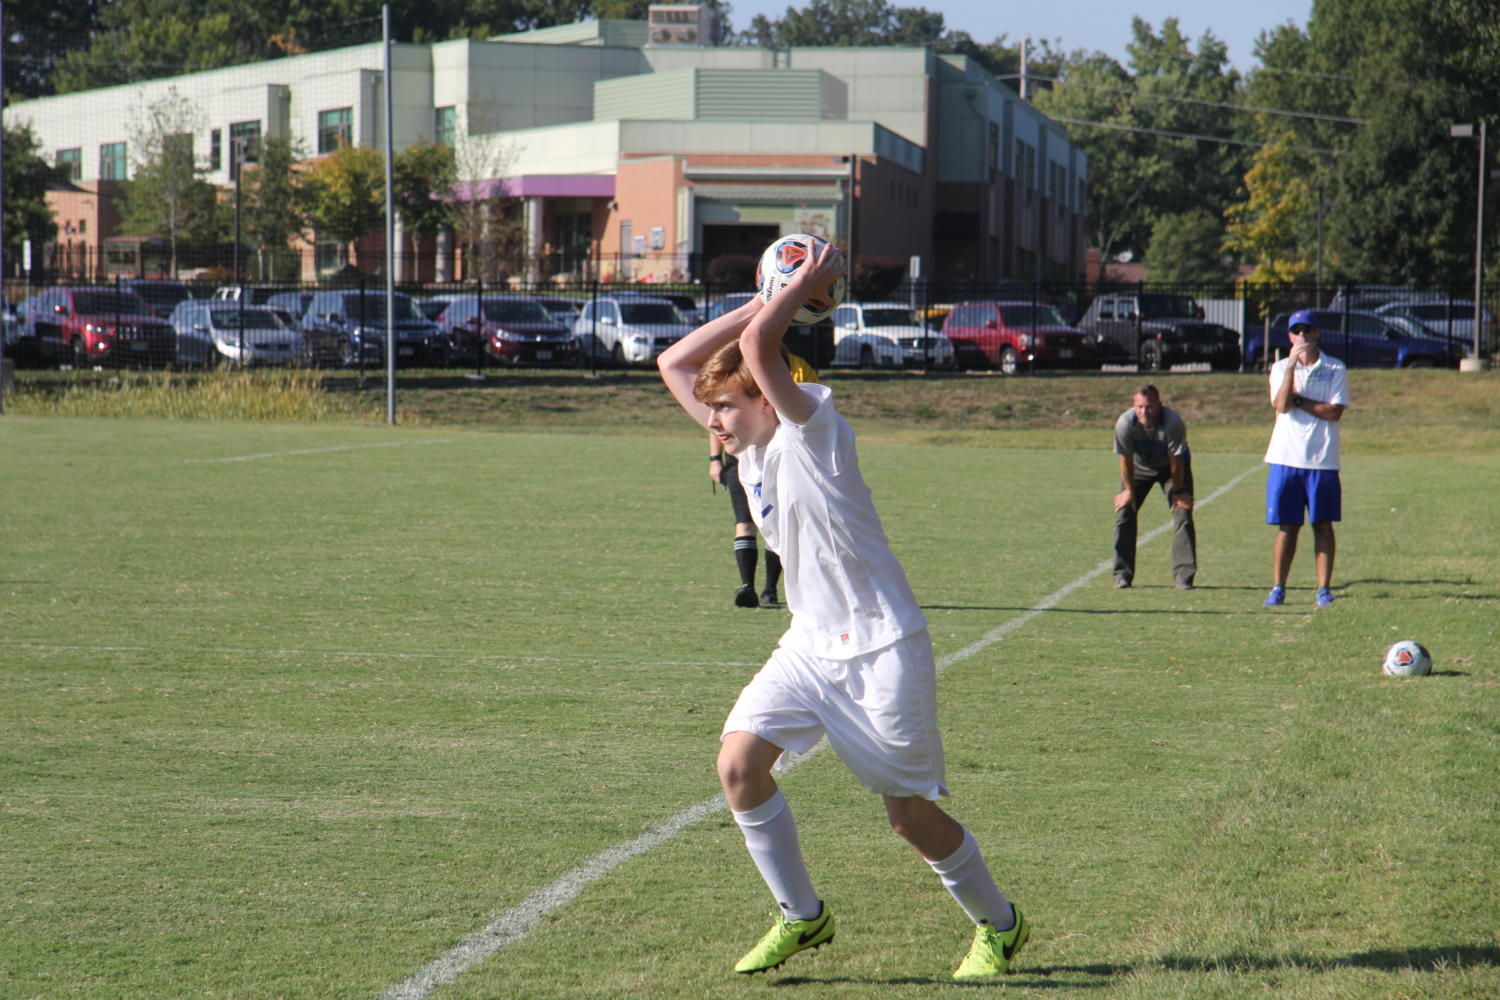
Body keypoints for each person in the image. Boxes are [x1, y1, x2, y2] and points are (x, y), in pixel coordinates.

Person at [658, 242, 1027, 982]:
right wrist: (764, 297)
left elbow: (762, 346)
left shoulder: (814, 430)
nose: (714, 421)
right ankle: (803, 915)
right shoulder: (748, 451)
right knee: (737, 764)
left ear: (768, 397)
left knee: (908, 819)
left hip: (884, 647)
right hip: (809, 645)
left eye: (727, 406)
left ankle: (1000, 924)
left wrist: (788, 290)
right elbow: (673, 365)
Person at [709, 354, 818, 608]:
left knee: (777, 525)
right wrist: (715, 458)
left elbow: (809, 413)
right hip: (740, 458)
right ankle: (747, 586)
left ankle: (770, 589)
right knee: (744, 523)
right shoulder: (732, 377)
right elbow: (717, 423)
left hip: (781, 457)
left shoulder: (799, 370)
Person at [1263, 309, 1348, 608]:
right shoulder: (1279, 368)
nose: (1303, 336)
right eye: (1297, 331)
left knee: (1323, 525)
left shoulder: (1335, 368)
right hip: (1286, 458)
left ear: (1317, 333)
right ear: (1289, 336)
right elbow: (1282, 406)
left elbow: (1334, 411)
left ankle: (1323, 589)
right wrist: (1289, 371)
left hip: (1322, 459)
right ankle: (1278, 588)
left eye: (1307, 330)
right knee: (1287, 525)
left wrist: (1302, 400)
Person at [1111, 384, 1196, 589]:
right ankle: (1122, 575)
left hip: (1172, 470)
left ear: (1159, 406)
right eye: (1140, 407)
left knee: (1182, 513)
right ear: (1134, 406)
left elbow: (1176, 460)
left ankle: (1183, 577)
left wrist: (1177, 491)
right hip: (1139, 469)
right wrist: (1129, 491)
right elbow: (1125, 459)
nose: (1144, 412)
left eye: (1149, 407)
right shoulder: (1124, 423)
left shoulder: (1172, 423)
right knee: (1124, 512)